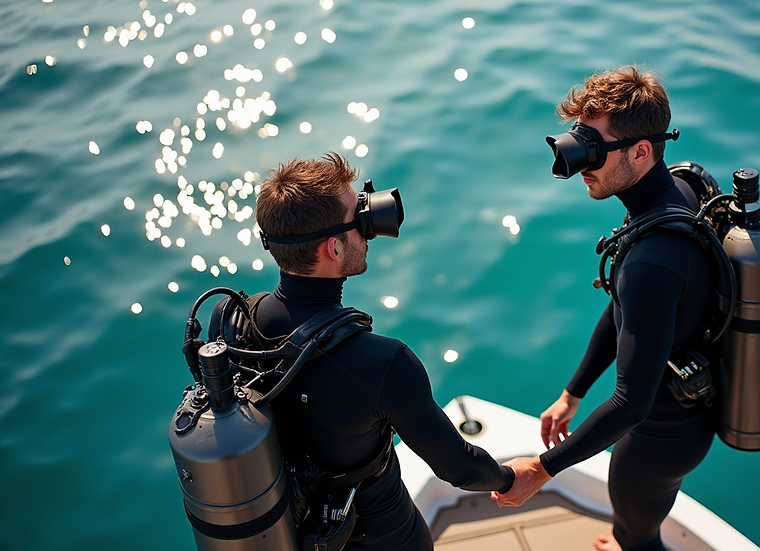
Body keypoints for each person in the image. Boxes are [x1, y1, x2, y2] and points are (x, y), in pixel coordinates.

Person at [213, 152, 514, 550]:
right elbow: (458, 467)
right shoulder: (383, 363)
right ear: (334, 249)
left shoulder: (229, 321)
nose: (368, 230)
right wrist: (512, 478)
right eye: (361, 219)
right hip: (382, 537)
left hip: (291, 532)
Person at [491, 66, 716, 551]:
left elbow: (630, 403)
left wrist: (541, 468)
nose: (580, 164)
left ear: (641, 151)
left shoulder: (651, 262)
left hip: (661, 437)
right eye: (579, 142)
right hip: (683, 411)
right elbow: (627, 311)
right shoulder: (679, 192)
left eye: (595, 149)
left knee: (636, 537)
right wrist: (574, 392)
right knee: (630, 528)